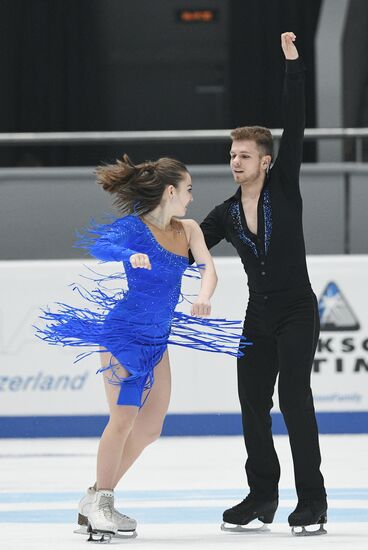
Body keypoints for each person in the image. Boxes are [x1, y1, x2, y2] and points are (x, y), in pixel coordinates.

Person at [37, 155, 246, 541]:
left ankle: (93, 496)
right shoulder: (134, 228)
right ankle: (103, 501)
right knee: (124, 419)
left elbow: (208, 268)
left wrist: (203, 294)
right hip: (123, 335)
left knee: (150, 429)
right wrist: (126, 254)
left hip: (157, 341)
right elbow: (104, 246)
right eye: (187, 191)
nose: (190, 199)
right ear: (170, 191)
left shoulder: (188, 230)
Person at [192, 33, 327, 535]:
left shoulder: (284, 186)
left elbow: (296, 123)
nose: (235, 162)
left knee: (294, 397)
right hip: (258, 314)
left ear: (265, 161)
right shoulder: (224, 214)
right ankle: (262, 495)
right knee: (252, 403)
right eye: (232, 155)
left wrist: (293, 67)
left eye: (244, 155)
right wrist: (152, 249)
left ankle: (312, 499)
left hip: (296, 309)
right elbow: (190, 248)